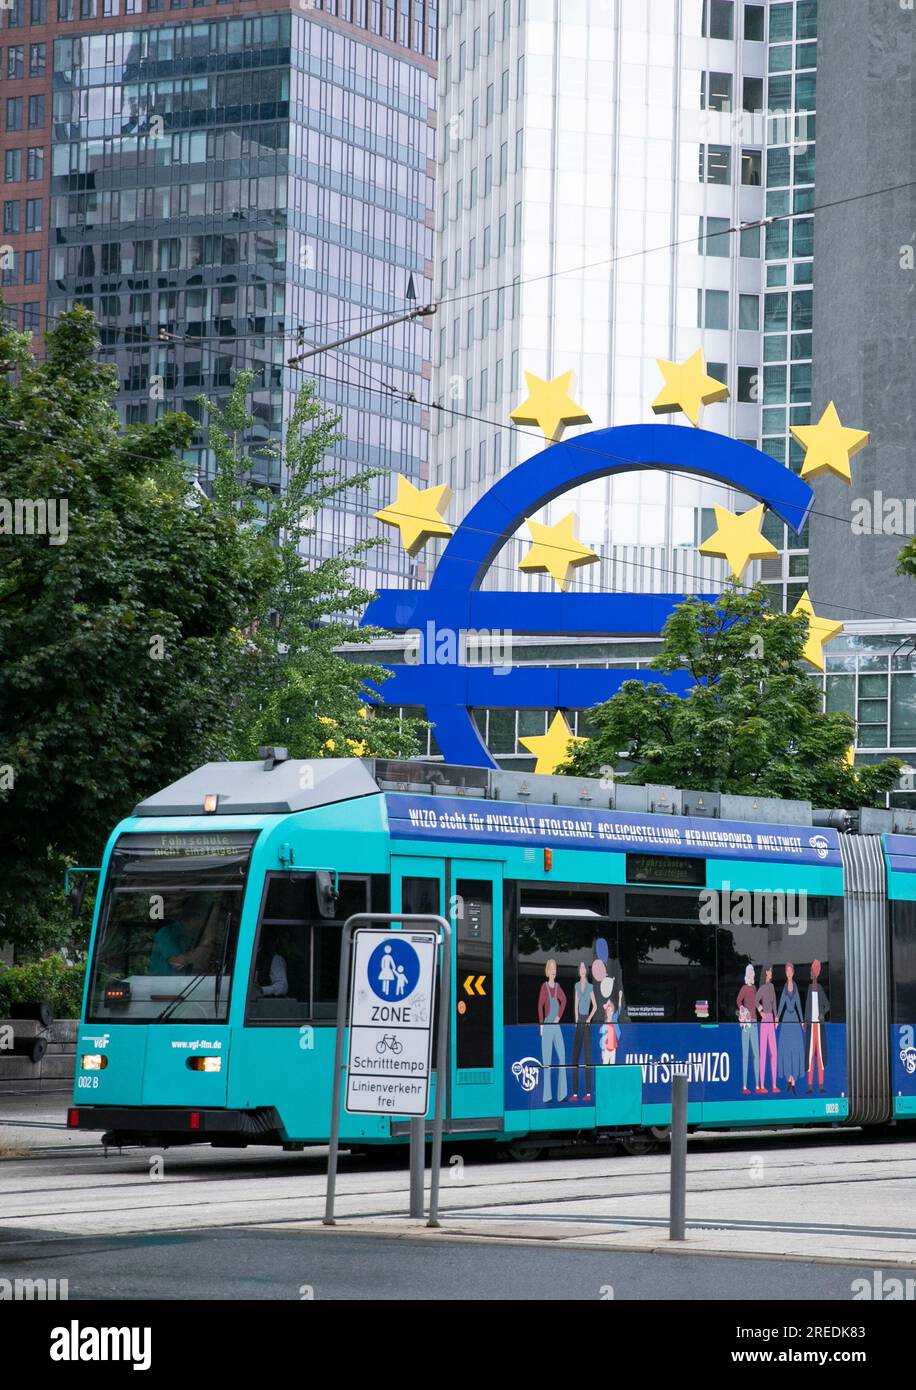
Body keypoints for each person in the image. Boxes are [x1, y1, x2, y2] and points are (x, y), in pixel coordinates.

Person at [149, 897, 207, 975]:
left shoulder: (194, 934)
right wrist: (206, 944)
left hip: (186, 983)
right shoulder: (167, 933)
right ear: (196, 916)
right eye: (205, 917)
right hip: (163, 984)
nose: (205, 921)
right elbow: (176, 962)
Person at [537, 958, 567, 1103]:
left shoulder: (558, 986)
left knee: (562, 1057)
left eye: (555, 968)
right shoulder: (544, 987)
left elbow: (565, 1000)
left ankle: (562, 1094)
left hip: (556, 1026)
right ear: (547, 971)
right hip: (547, 1026)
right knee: (547, 1061)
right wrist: (541, 1025)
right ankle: (547, 1096)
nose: (553, 970)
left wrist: (559, 1016)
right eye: (551, 968)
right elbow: (540, 1006)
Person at [568, 960, 597, 1101]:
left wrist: (588, 1019)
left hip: (586, 1023)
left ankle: (588, 1093)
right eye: (580, 968)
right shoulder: (577, 986)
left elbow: (595, 1006)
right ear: (578, 971)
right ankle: (574, 1094)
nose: (582, 970)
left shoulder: (590, 987)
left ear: (587, 970)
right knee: (574, 1058)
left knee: (587, 1059)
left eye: (584, 967)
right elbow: (575, 1005)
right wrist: (576, 1020)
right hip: (579, 1022)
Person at [776, 961, 805, 1095]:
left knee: (795, 1050)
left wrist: (802, 1021)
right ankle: (789, 1079)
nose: (788, 973)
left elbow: (798, 1004)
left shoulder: (795, 986)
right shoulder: (784, 988)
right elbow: (781, 1003)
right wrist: (777, 1018)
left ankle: (793, 1080)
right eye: (786, 971)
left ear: (793, 972)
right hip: (786, 1021)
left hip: (794, 1022)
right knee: (786, 1051)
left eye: (790, 971)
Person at [804, 959, 830, 1093]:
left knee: (819, 1055)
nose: (810, 973)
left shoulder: (819, 988)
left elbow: (827, 1005)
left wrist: (822, 1013)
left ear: (815, 972)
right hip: (810, 1026)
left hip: (819, 1027)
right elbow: (807, 1007)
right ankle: (809, 1085)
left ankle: (820, 1084)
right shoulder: (809, 989)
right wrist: (804, 1020)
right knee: (809, 1056)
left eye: (811, 971)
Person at [736, 965, 760, 1095]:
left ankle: (757, 1085)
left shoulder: (754, 988)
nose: (752, 974)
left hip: (755, 1022)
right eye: (750, 972)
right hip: (746, 1024)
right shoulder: (744, 988)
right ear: (747, 974)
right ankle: (744, 1086)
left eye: (753, 972)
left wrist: (760, 1009)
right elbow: (738, 1001)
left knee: (756, 1054)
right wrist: (743, 1010)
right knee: (745, 1055)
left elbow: (755, 1002)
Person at [757, 963, 779, 1094]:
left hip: (771, 1020)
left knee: (773, 1053)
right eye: (770, 971)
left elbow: (774, 1003)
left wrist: (776, 1017)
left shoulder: (771, 987)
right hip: (764, 1020)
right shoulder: (763, 988)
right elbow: (755, 1000)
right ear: (766, 973)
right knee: (763, 1053)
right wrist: (760, 1011)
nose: (771, 973)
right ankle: (762, 1085)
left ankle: (774, 1084)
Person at [253, 929, 289, 999]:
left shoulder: (276, 960)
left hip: (269, 1003)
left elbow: (282, 986)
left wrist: (262, 990)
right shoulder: (259, 959)